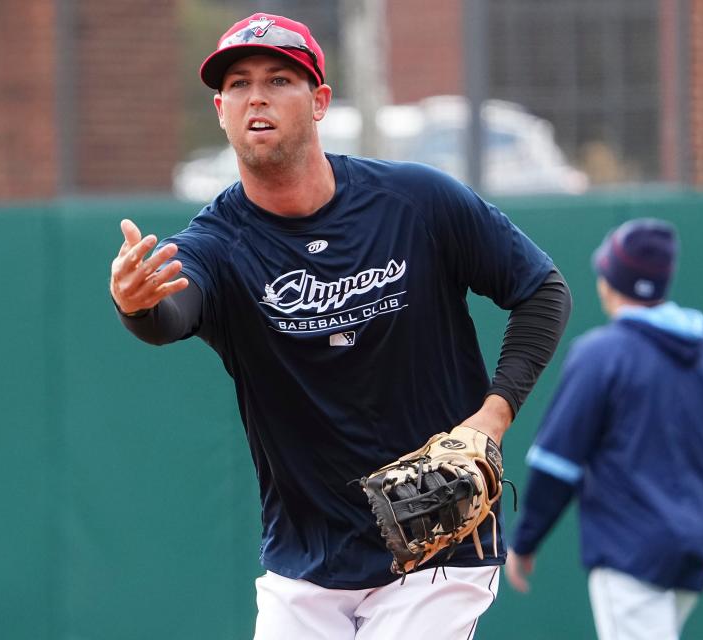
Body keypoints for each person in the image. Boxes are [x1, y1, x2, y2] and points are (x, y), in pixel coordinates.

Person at [110, 13, 571, 638]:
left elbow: (542, 290)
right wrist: (137, 305)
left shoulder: (417, 202)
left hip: (437, 554)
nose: (258, 97)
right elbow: (170, 316)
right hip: (306, 560)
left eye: (279, 79)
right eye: (239, 84)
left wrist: (492, 416)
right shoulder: (217, 245)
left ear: (319, 100)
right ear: (220, 109)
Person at [505, 219, 703, 640]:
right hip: (694, 552)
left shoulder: (600, 355)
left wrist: (526, 539)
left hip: (629, 555)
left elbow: (558, 464)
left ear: (612, 282)